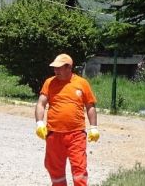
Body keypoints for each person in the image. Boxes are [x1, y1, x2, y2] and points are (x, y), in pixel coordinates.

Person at [35, 54, 99, 186]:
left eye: (59, 68)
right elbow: (41, 103)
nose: (55, 70)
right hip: (54, 134)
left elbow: (90, 106)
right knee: (54, 168)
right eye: (55, 68)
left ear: (69, 67)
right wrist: (39, 123)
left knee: (79, 169)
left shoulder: (82, 83)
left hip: (76, 134)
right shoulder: (49, 82)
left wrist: (93, 128)